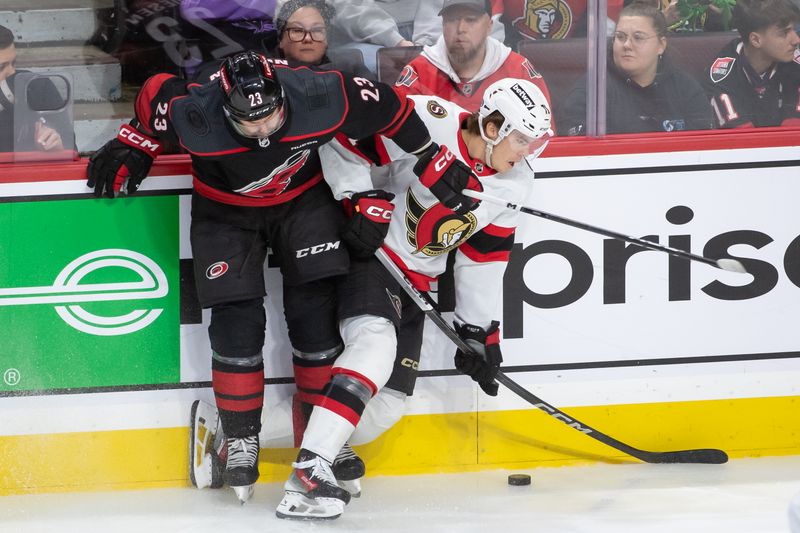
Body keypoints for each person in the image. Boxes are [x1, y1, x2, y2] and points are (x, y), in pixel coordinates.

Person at [85, 50, 470, 506]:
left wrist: (428, 156)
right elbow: (153, 93)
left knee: (315, 311)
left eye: (271, 117)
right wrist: (137, 139)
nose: (264, 131)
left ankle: (322, 435)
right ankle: (241, 436)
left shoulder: (319, 93)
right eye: (250, 124)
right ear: (225, 110)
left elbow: (392, 108)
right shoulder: (193, 110)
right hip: (226, 212)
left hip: (303, 203)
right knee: (235, 318)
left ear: (282, 97)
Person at [188, 78, 552, 520]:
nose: (526, 152)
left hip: (418, 283)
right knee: (374, 346)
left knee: (384, 410)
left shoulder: (517, 182)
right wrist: (362, 199)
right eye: (521, 139)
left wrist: (479, 332)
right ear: (492, 126)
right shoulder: (428, 120)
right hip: (373, 255)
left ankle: (232, 431)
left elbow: (483, 256)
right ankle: (309, 470)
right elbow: (339, 145)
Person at [559, 2, 714, 135]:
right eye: (620, 37)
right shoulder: (590, 93)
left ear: (661, 45)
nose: (626, 45)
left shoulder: (686, 90)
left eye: (638, 38)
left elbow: (704, 149)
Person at [393, 0, 552, 113]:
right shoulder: (418, 72)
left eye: (471, 20)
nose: (461, 28)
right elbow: (393, 142)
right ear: (442, 25)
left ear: (489, 26)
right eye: (452, 20)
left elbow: (543, 139)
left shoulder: (518, 70)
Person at [703, 0, 800, 128]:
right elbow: (743, 141)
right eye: (784, 33)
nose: (796, 40)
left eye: (794, 30)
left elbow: (794, 131)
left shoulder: (795, 66)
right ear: (755, 40)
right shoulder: (721, 78)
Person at [0, 24, 69, 154]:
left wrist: (56, 147)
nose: (11, 71)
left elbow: (70, 151)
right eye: (1, 67)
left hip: (26, 172)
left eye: (13, 63)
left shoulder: (35, 86)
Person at [273, 0, 372, 78]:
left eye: (317, 30)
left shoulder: (351, 69)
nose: (307, 38)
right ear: (281, 40)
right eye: (298, 30)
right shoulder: (267, 71)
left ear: (326, 41)